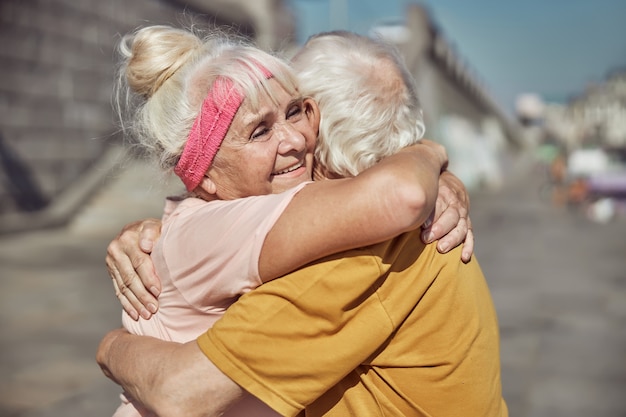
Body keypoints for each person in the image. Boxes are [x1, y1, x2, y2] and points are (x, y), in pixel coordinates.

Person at [98, 29, 506, 416]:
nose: (295, 140)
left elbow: (181, 389)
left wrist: (112, 348)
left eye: (299, 112)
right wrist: (431, 155)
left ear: (323, 131)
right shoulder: (405, 229)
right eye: (261, 130)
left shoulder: (359, 259)